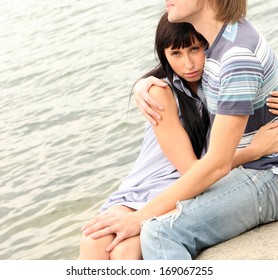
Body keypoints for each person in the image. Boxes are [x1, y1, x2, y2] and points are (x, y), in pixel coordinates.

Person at [80, 7, 278, 259]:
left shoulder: (221, 68)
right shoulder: (159, 92)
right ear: (164, 56)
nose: (188, 63)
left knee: (125, 251)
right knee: (95, 243)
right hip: (159, 183)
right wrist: (256, 149)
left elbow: (257, 77)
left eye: (195, 49)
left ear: (206, 46)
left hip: (192, 181)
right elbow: (193, 167)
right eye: (175, 53)